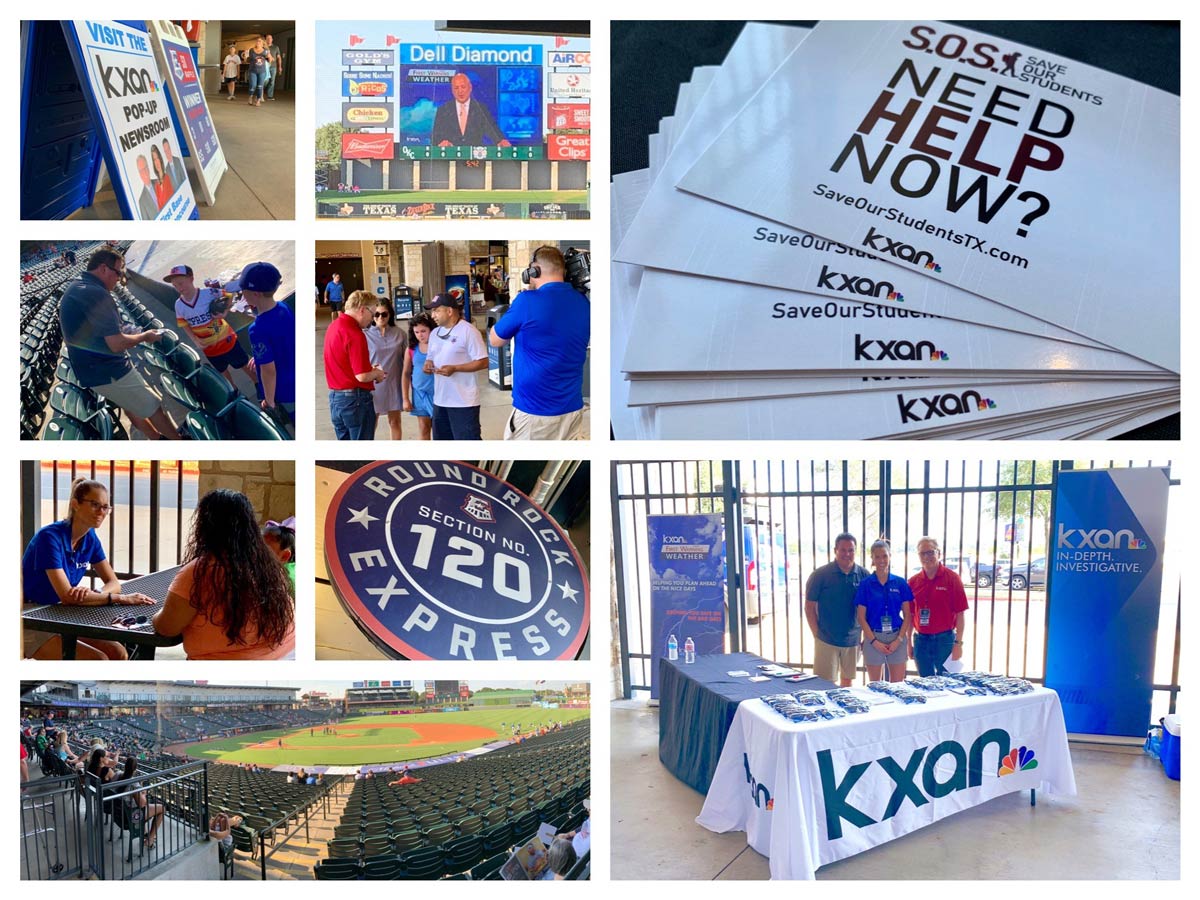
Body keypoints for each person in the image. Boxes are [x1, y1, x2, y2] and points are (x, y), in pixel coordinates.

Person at [22, 476, 156, 660]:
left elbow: (113, 582)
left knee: (118, 653)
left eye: (105, 507)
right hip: (32, 618)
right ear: (75, 504)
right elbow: (67, 595)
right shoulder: (49, 537)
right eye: (94, 504)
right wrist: (121, 598)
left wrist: (95, 593)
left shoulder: (90, 537)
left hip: (62, 613)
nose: (101, 511)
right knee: (99, 659)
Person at [152, 489, 295, 660]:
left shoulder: (199, 571)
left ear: (205, 526)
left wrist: (156, 615)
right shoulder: (268, 562)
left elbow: (166, 627)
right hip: (288, 653)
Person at [59, 248, 181, 440]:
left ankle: (157, 440)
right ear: (103, 269)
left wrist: (126, 331)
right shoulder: (95, 293)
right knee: (153, 406)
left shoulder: (80, 285)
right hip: (107, 370)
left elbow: (101, 330)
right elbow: (116, 344)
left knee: (131, 405)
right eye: (118, 272)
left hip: (92, 371)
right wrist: (145, 336)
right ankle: (178, 443)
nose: (119, 278)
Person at [489, 246, 590, 440]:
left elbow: (495, 339)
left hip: (534, 412)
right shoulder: (583, 303)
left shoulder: (526, 301)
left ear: (534, 271)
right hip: (571, 408)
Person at [166, 265, 255, 389]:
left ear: (191, 279)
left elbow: (228, 295)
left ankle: (258, 385)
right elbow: (185, 324)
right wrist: (195, 340)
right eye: (175, 285)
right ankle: (235, 393)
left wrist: (225, 312)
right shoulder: (179, 305)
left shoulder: (208, 293)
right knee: (223, 372)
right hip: (209, 348)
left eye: (181, 283)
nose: (179, 288)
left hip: (227, 341)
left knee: (244, 364)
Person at [227, 261, 295, 425]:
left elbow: (268, 370)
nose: (241, 294)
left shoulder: (257, 329)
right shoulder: (283, 307)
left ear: (255, 293)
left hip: (285, 390)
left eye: (243, 291)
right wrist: (259, 357)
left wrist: (269, 400)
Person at [804, 533, 868, 687]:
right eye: (843, 550)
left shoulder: (864, 575)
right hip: (826, 639)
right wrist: (817, 634)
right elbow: (809, 607)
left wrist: (866, 637)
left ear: (855, 551)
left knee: (847, 682)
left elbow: (869, 609)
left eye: (851, 550)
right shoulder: (820, 575)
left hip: (853, 640)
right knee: (825, 684)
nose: (847, 554)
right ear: (835, 550)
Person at [323, 290, 387, 440]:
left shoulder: (334, 327)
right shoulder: (355, 334)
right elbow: (362, 376)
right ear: (362, 310)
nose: (372, 320)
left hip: (336, 399)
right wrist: (377, 373)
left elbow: (343, 364)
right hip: (355, 401)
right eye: (373, 314)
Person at [424, 291, 487, 440]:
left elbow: (483, 361)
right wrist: (428, 364)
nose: (433, 315)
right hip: (440, 400)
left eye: (436, 310)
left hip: (463, 402)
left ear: (450, 311)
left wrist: (456, 368)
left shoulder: (468, 331)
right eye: (433, 311)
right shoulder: (434, 333)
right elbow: (430, 357)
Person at [907, 536, 969, 676]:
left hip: (945, 641)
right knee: (925, 684)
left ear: (938, 553)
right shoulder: (913, 582)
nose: (927, 556)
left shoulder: (952, 579)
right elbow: (910, 616)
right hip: (921, 641)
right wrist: (908, 643)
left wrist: (958, 644)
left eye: (931, 552)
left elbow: (960, 614)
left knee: (947, 683)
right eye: (923, 553)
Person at [854, 539, 913, 683]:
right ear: (872, 559)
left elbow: (907, 615)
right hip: (873, 637)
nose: (881, 560)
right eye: (877, 557)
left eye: (885, 556)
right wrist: (874, 641)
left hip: (896, 637)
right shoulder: (866, 584)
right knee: (875, 686)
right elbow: (861, 617)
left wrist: (899, 640)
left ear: (890, 557)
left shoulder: (900, 583)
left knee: (897, 685)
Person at [431, 73, 512, 147]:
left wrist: (501, 140)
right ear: (452, 91)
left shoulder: (481, 109)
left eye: (463, 87)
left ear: (470, 88)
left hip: (476, 159)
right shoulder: (443, 110)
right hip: (450, 158)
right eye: (456, 88)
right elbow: (435, 137)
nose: (460, 91)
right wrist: (441, 143)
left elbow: (492, 129)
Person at [366, 297, 407, 439]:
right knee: (371, 422)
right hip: (373, 384)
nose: (380, 317)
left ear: (390, 315)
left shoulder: (400, 334)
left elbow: (407, 359)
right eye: (377, 314)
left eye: (384, 314)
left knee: (395, 421)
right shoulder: (365, 335)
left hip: (394, 383)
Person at [402, 313, 435, 440]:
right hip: (419, 394)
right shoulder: (411, 349)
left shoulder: (438, 346)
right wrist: (405, 398)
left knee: (439, 427)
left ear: (431, 330)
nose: (420, 335)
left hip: (438, 394)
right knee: (423, 427)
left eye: (423, 331)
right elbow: (405, 373)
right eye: (416, 332)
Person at [122, 757, 164, 849]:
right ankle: (150, 839)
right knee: (162, 808)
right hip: (130, 817)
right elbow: (142, 804)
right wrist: (143, 792)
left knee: (142, 807)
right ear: (135, 768)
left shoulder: (119, 775)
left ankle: (145, 833)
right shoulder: (133, 783)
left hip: (120, 814)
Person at [243, 36, 269, 106]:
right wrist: (245, 57)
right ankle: (250, 97)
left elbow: (270, 59)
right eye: (257, 41)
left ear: (263, 43)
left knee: (260, 86)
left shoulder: (265, 51)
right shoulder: (251, 50)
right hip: (252, 70)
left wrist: (269, 59)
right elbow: (248, 60)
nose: (258, 42)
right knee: (253, 85)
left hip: (262, 71)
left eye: (260, 41)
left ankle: (258, 100)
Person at [150, 144, 174, 209]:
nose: (156, 162)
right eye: (154, 160)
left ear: (160, 159)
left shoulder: (167, 178)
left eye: (157, 158)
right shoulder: (157, 186)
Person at [264, 34, 283, 100]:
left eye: (270, 38)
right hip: (265, 67)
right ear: (265, 40)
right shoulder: (263, 47)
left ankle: (270, 96)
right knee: (265, 80)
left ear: (272, 39)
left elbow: (279, 57)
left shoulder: (276, 47)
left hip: (273, 67)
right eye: (267, 38)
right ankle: (260, 93)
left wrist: (280, 67)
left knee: (272, 81)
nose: (269, 39)